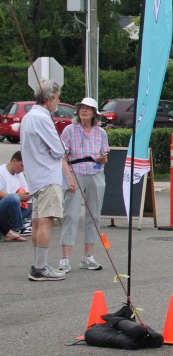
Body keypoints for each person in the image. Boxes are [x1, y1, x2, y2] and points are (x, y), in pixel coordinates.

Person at [20, 79, 75, 280]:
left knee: (37, 221)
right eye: (58, 97)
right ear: (50, 98)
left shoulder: (28, 116)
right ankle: (41, 267)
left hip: (35, 176)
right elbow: (59, 149)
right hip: (47, 176)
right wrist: (58, 150)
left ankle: (38, 265)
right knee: (45, 221)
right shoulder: (43, 118)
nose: (58, 101)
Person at [59, 97, 109, 272]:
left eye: (88, 108)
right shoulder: (69, 130)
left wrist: (103, 159)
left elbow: (105, 157)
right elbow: (62, 158)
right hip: (76, 173)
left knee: (94, 215)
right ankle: (65, 259)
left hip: (95, 173)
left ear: (95, 113)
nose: (84, 110)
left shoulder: (101, 133)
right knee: (71, 215)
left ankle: (88, 256)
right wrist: (69, 178)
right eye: (82, 107)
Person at [0, 151, 31, 242]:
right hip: (4, 206)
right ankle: (18, 227)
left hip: (16, 207)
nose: (22, 169)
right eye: (21, 165)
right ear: (14, 161)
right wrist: (17, 197)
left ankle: (24, 221)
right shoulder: (1, 171)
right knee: (13, 198)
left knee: (35, 201)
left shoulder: (20, 175)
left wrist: (26, 196)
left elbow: (26, 191)